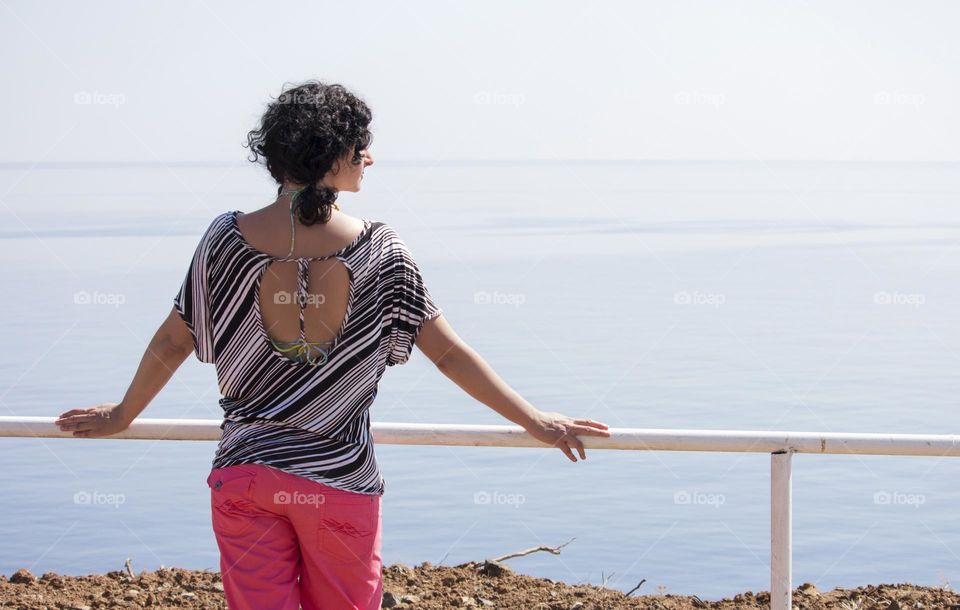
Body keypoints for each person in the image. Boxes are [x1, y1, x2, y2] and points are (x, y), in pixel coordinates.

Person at [54, 79, 612, 610]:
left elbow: (173, 341)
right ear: (331, 154)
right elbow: (447, 353)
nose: (368, 158)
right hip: (337, 483)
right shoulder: (382, 250)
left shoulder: (223, 239)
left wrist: (124, 414)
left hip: (245, 477)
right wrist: (534, 420)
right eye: (360, 146)